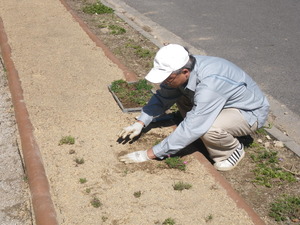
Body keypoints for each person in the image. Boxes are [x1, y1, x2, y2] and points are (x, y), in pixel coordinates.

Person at [118, 44, 269, 171]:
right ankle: (203, 134)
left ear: (184, 72)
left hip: (248, 112)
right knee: (179, 93)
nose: (164, 82)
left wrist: (150, 154)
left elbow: (194, 126)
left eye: (167, 78)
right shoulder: (185, 67)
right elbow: (163, 97)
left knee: (208, 128)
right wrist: (140, 122)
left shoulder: (210, 84)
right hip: (220, 102)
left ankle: (231, 151)